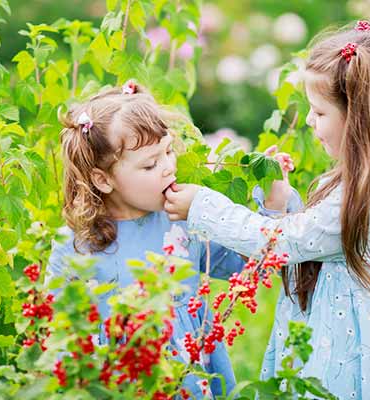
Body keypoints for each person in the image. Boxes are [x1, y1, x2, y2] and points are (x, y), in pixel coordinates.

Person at [164, 21, 370, 399]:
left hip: (350, 373)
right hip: (328, 357)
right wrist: (280, 203)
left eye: (319, 113)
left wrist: (203, 206)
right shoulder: (358, 185)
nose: (309, 121)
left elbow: (282, 242)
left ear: (360, 119)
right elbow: (311, 238)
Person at [45, 82, 253, 398]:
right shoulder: (78, 244)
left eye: (168, 151)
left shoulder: (184, 220)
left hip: (188, 380)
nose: (168, 167)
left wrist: (271, 209)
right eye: (150, 164)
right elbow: (56, 327)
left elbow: (243, 265)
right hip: (121, 384)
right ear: (104, 180)